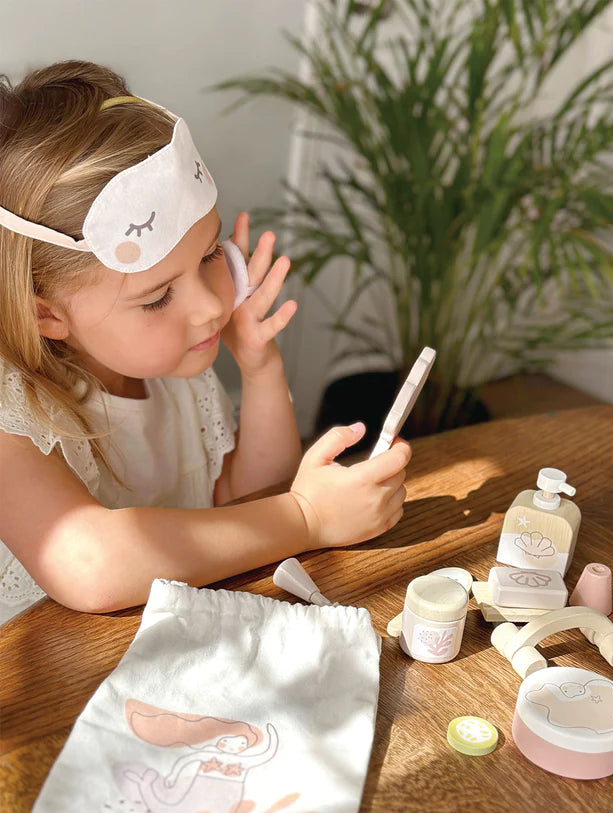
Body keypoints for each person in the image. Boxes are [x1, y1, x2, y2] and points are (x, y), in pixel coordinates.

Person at [0, 61, 410, 625]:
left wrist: (260, 367)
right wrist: (306, 517)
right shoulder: (15, 417)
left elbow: (244, 500)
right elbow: (90, 563)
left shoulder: (172, 369)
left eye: (211, 254)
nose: (212, 307)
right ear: (46, 314)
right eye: (157, 297)